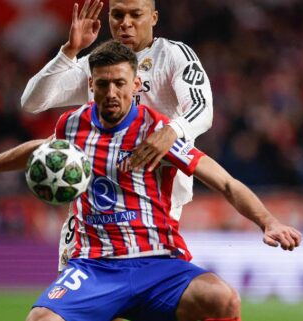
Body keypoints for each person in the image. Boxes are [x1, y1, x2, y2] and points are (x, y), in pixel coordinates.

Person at [37, 40, 301, 321]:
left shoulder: (157, 132)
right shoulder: (73, 126)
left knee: (222, 299)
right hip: (95, 266)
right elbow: (35, 148)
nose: (112, 92)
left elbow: (225, 182)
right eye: (104, 84)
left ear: (136, 85)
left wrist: (268, 221)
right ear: (92, 86)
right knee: (43, 319)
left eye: (119, 83)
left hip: (157, 263)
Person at [21, 0, 215, 272]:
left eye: (135, 14)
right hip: (96, 199)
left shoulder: (173, 55)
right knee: (79, 301)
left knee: (146, 296)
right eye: (117, 14)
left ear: (154, 17)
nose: (125, 22)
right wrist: (70, 51)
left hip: (154, 198)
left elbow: (202, 108)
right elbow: (32, 102)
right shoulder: (97, 65)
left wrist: (172, 131)